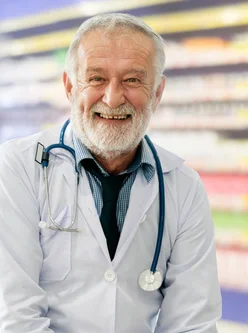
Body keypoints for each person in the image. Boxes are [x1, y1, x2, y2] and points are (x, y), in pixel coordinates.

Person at [0, 13, 222, 332]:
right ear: (69, 86)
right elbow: (16, 318)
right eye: (96, 78)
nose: (113, 97)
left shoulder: (183, 186)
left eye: (132, 80)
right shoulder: (20, 167)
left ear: (157, 92)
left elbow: (193, 322)